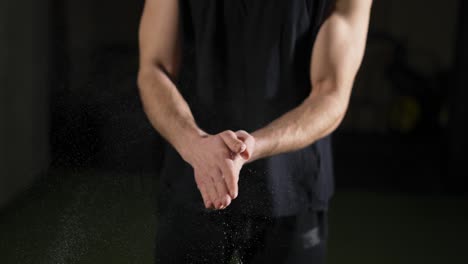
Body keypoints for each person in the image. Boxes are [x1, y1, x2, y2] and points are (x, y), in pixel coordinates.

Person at [137, 0, 372, 263]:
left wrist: (251, 147)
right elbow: (153, 68)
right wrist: (195, 144)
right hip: (195, 177)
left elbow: (331, 94)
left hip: (291, 190)